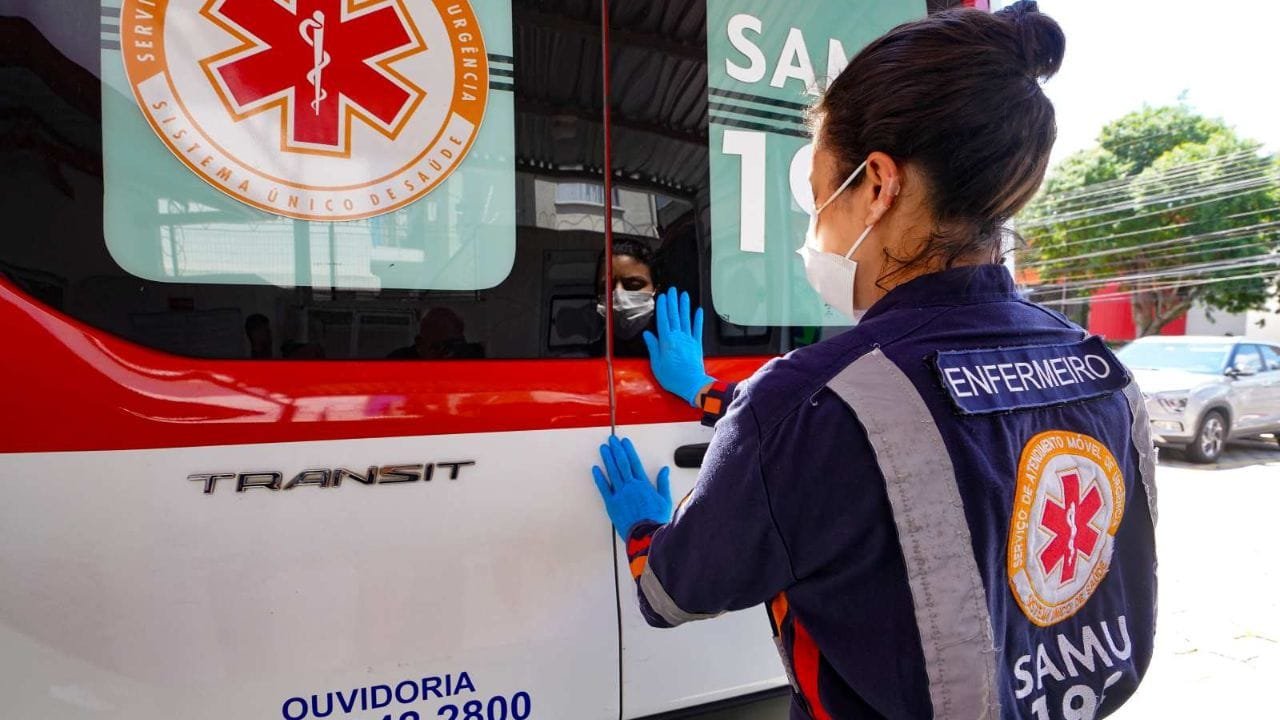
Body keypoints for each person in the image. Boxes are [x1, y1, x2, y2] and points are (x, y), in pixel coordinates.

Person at [590, 4, 1157, 719]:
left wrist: (647, 526)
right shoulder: (1103, 372)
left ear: (878, 184)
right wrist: (710, 391)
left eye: (819, 191)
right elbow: (902, 439)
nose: (816, 219)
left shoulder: (810, 403)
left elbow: (674, 593)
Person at [593, 237, 661, 357]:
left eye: (634, 285)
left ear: (656, 290)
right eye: (607, 288)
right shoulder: (588, 359)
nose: (619, 296)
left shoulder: (671, 354)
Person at [387, 308, 484, 359]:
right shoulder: (399, 361)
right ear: (420, 343)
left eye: (451, 346)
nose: (447, 354)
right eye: (437, 347)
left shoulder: (468, 358)